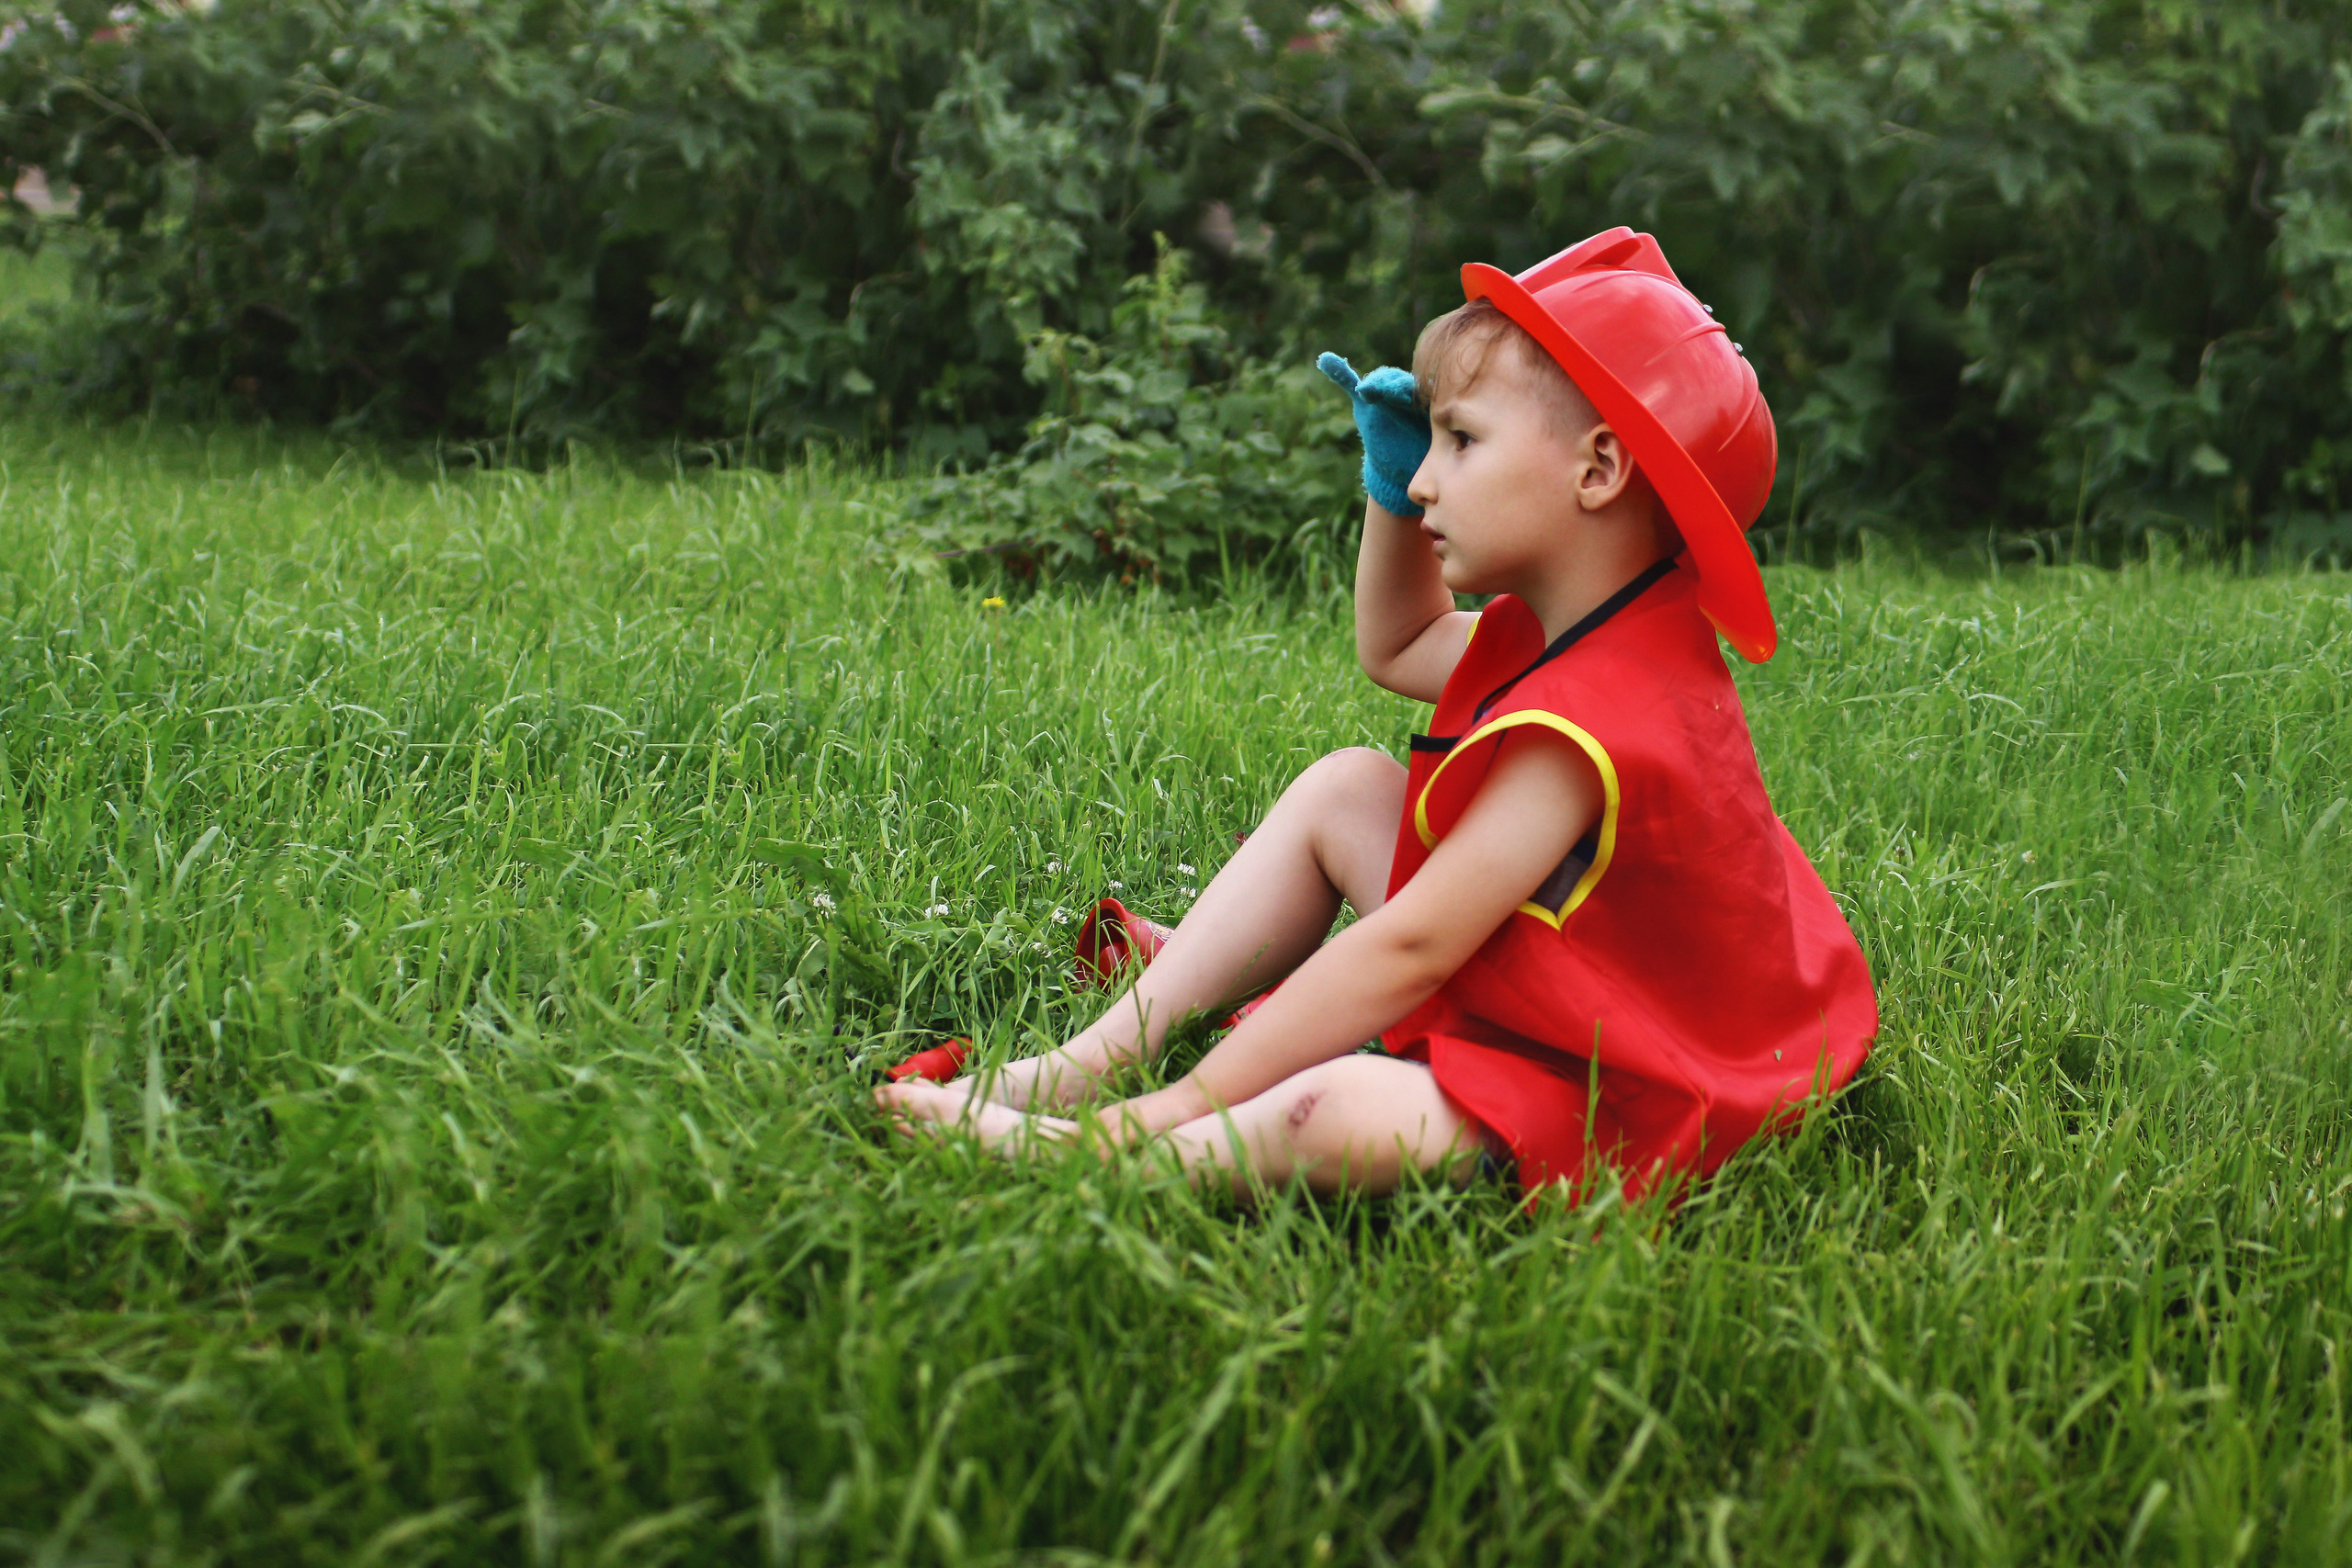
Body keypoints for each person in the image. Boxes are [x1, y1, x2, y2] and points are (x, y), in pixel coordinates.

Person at [879, 227, 1878, 1204]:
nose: (1427, 476)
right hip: (1593, 989)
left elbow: (1412, 945)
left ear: (1598, 469)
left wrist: (1183, 1104)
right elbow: (1398, 645)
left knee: (1334, 1106)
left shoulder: (1599, 721)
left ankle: (1114, 1145)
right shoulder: (1575, 627)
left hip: (1636, 1082)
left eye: (1460, 440)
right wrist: (1390, 495)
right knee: (1350, 786)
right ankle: (1087, 1064)